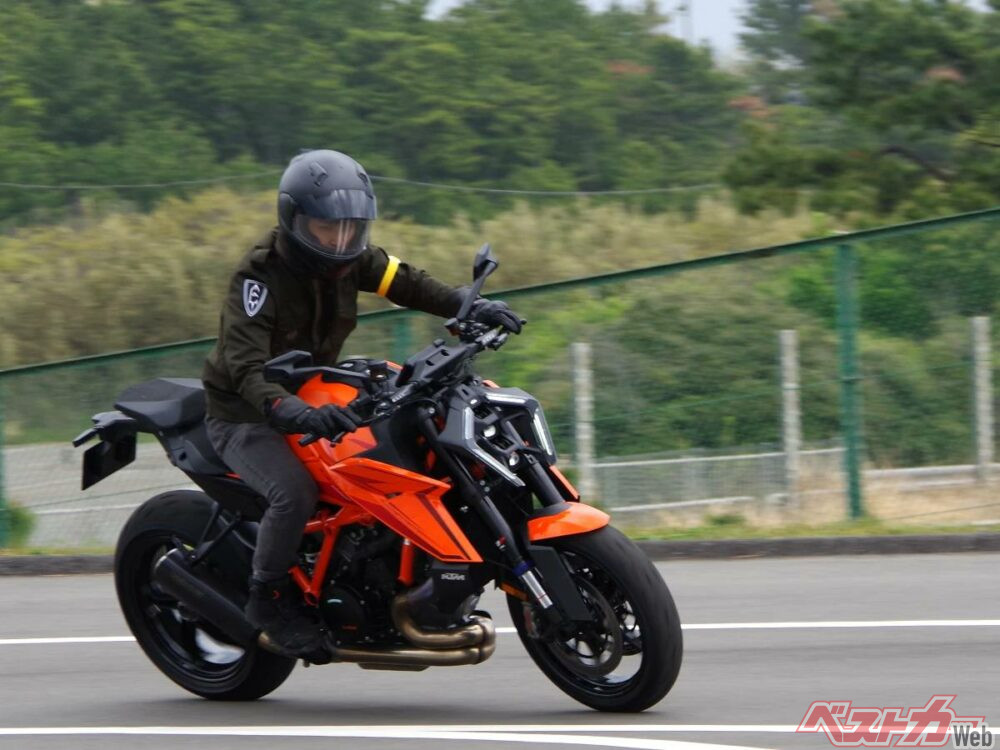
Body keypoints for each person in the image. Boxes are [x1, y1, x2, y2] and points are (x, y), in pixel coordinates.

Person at [201, 149, 522, 655]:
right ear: (295, 220)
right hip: (246, 413)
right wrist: (292, 412)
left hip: (313, 390)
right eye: (327, 227)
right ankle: (268, 599)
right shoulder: (258, 277)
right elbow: (245, 370)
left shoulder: (353, 259)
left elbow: (409, 283)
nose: (340, 240)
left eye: (351, 228)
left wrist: (470, 303)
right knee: (293, 494)